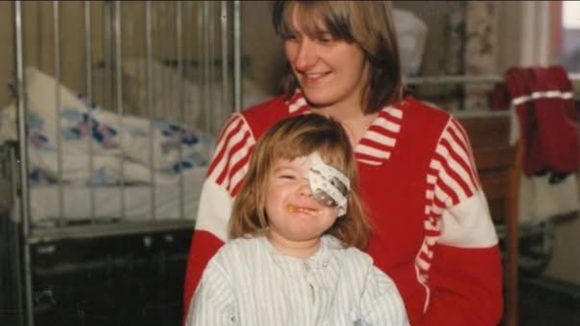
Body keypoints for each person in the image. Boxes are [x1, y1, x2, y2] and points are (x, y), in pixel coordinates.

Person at [184, 1, 503, 325]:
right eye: (293, 37)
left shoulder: (437, 140)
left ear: (369, 38)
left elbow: (473, 295)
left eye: (324, 39)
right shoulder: (248, 136)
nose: (302, 59)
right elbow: (205, 293)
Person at [186, 114, 409, 326]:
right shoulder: (231, 266)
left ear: (343, 204)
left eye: (325, 183)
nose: (305, 190)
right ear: (259, 191)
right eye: (288, 177)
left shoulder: (360, 274)